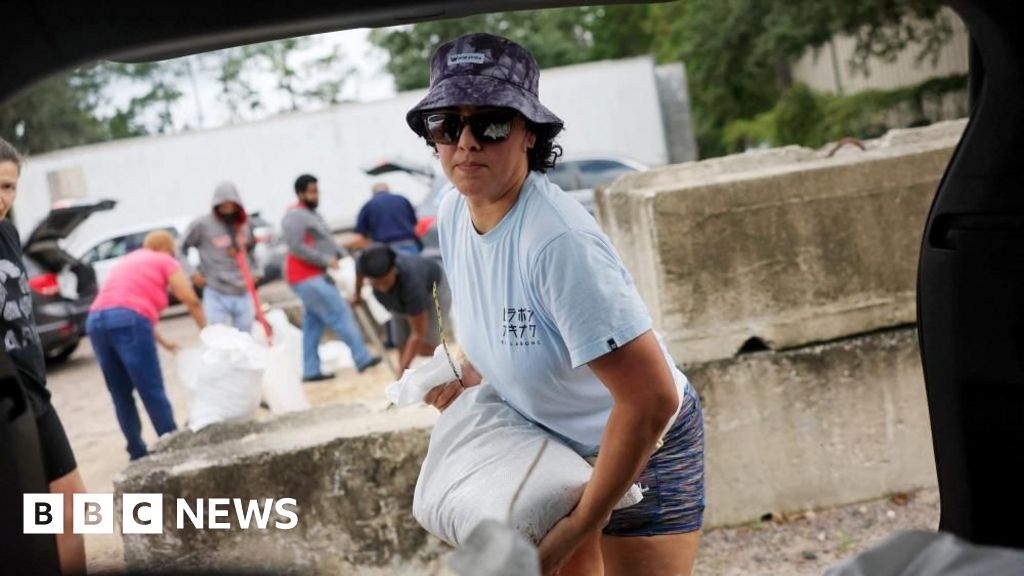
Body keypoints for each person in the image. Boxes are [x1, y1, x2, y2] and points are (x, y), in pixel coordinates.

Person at [405, 33, 705, 576]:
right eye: (447, 124)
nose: (466, 142)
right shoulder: (455, 211)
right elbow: (505, 327)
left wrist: (576, 529)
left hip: (645, 446)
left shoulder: (556, 242)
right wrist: (466, 370)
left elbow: (650, 399)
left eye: (491, 123)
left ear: (529, 134)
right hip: (553, 448)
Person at [0, 137, 87, 573]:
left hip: (32, 391)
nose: (2, 198)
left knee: (69, 502)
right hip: (3, 400)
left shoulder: (8, 234)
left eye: (9, 187)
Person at [86, 230, 206, 460]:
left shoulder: (129, 260)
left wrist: (164, 342)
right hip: (129, 319)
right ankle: (172, 442)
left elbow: (125, 305)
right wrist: (208, 333)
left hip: (95, 321)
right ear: (167, 249)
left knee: (120, 391)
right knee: (150, 388)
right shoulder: (165, 260)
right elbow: (189, 298)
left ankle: (136, 450)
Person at [282, 174, 381, 381]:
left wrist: (342, 257)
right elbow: (296, 247)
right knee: (340, 313)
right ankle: (362, 358)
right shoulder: (294, 216)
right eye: (310, 192)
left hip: (315, 275)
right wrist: (325, 260)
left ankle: (311, 370)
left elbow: (327, 241)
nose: (315, 195)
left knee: (312, 324)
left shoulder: (312, 214)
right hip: (306, 277)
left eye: (316, 191)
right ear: (300, 193)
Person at [353, 244, 450, 373]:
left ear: (394, 270)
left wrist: (400, 371)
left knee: (426, 344)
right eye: (376, 283)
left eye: (385, 282)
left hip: (433, 288)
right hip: (399, 294)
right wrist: (357, 295)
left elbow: (417, 333)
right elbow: (359, 272)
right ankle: (405, 376)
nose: (382, 287)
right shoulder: (365, 263)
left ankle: (434, 374)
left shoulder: (413, 283)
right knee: (400, 340)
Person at [180, 182, 257, 333]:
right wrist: (192, 273)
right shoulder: (202, 225)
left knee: (245, 339)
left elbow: (252, 250)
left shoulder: (244, 224)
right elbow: (180, 248)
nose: (228, 211)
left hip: (242, 289)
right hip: (216, 290)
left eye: (231, 206)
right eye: (224, 207)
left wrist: (256, 271)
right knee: (218, 337)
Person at [347, 182, 421, 254]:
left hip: (385, 248)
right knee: (412, 265)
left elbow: (359, 234)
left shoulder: (368, 205)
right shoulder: (402, 199)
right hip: (408, 243)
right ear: (388, 190)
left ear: (373, 193)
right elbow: (414, 222)